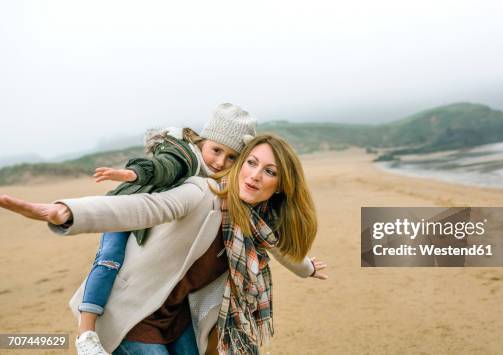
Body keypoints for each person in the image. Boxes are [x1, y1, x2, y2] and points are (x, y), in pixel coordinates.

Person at [0, 134, 327, 355]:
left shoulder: (257, 225)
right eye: (252, 162)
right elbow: (142, 207)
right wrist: (69, 212)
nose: (255, 175)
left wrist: (308, 268)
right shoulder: (202, 193)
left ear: (281, 185)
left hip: (178, 319)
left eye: (269, 171)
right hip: (134, 314)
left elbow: (282, 249)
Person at [78, 102, 256, 353]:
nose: (220, 161)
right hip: (126, 209)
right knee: (109, 260)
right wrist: (136, 174)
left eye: (231, 157)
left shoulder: (216, 183)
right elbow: (165, 167)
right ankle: (86, 333)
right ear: (203, 141)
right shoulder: (185, 156)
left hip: (156, 233)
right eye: (216, 150)